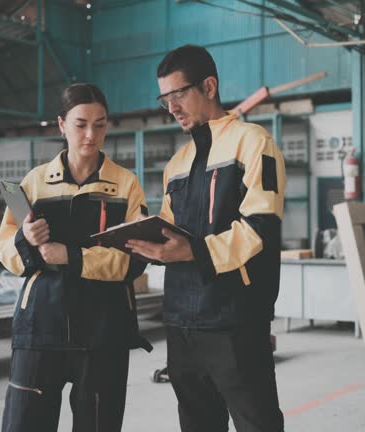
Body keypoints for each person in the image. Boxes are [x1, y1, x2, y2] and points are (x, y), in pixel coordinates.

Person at [127, 44, 286, 432]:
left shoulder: (253, 142)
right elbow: (168, 229)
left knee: (258, 422)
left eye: (179, 94)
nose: (172, 108)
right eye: (165, 99)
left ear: (209, 86)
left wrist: (195, 251)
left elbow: (259, 228)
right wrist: (139, 237)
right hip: (181, 322)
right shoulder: (176, 164)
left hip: (235, 318)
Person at [0, 83, 151, 432]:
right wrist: (25, 239)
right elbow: (2, 250)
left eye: (100, 124)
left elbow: (132, 261)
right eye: (81, 124)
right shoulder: (35, 183)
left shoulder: (125, 186)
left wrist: (72, 256)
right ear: (62, 124)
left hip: (104, 333)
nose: (91, 134)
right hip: (40, 330)